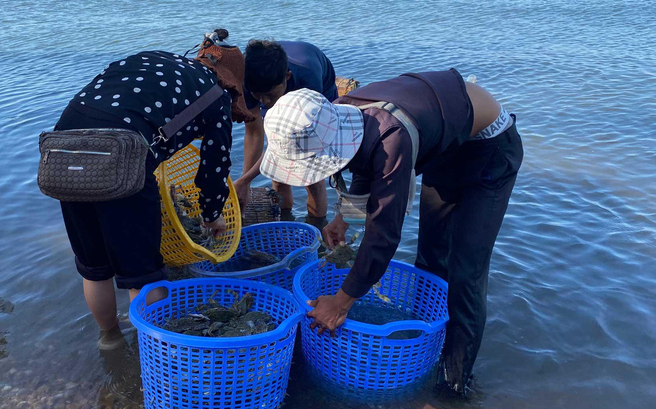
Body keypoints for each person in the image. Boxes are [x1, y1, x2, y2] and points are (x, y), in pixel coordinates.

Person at [259, 69, 523, 395]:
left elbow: (384, 234)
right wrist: (345, 217)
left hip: (490, 148)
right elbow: (360, 157)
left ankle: (453, 389)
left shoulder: (392, 136)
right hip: (447, 145)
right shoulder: (335, 116)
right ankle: (427, 349)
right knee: (430, 256)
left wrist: (342, 302)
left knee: (467, 271)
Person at [52, 35, 253, 350]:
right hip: (121, 155)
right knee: (144, 274)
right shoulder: (216, 96)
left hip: (63, 148)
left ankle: (110, 341)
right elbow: (215, 167)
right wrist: (213, 216)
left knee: (94, 266)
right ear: (230, 82)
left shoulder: (154, 58)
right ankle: (155, 352)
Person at [233, 40, 338, 230]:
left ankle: (317, 228)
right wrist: (244, 183)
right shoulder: (251, 81)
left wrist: (246, 179)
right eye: (259, 96)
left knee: (311, 175)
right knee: (278, 172)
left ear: (287, 77)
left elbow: (285, 144)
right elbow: (254, 133)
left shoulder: (308, 79)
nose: (265, 102)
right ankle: (286, 221)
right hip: (274, 84)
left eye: (270, 96)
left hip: (320, 93)